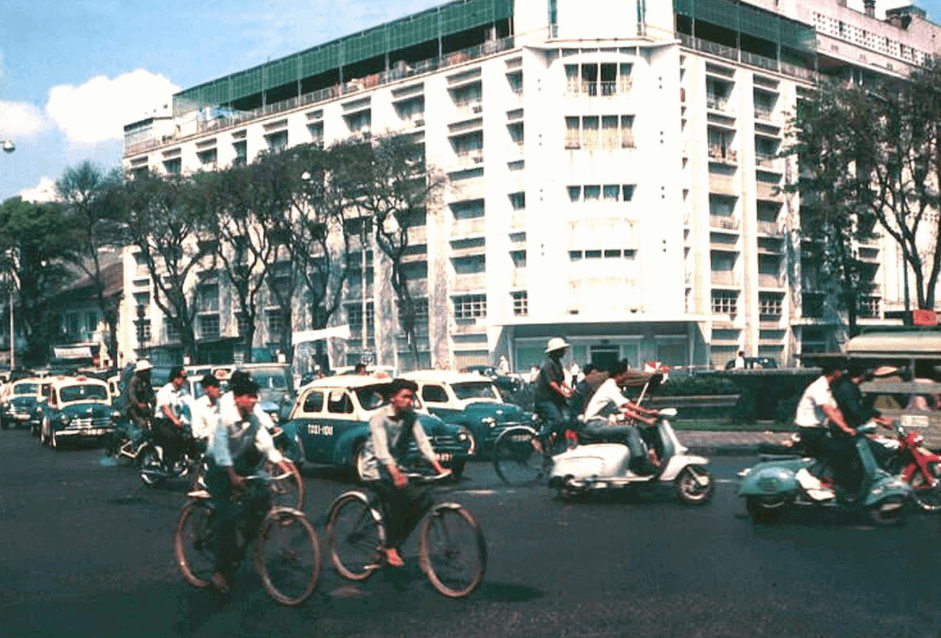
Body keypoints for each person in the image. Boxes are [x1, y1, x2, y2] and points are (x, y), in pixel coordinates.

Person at [206, 370, 293, 594]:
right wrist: (232, 476)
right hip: (218, 467)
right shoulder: (223, 419)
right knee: (226, 517)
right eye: (249, 396)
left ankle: (248, 541)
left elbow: (264, 442)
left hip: (239, 463)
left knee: (262, 495)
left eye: (255, 396)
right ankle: (219, 572)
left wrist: (280, 461)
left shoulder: (253, 419)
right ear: (237, 398)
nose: (254, 400)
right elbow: (221, 449)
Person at [361, 378, 448, 568]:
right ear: (393, 398)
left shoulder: (411, 417)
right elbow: (381, 451)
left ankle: (395, 538)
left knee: (424, 498)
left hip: (397, 469)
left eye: (412, 398)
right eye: (405, 397)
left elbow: (422, 442)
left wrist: (439, 467)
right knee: (395, 500)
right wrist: (395, 473)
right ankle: (390, 547)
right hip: (374, 470)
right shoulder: (379, 418)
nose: (409, 401)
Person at [582, 359, 661, 474]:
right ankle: (639, 464)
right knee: (630, 430)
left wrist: (645, 420)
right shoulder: (609, 387)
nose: (627, 377)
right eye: (626, 374)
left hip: (600, 424)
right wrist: (648, 412)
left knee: (640, 430)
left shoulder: (612, 388)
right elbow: (626, 404)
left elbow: (626, 411)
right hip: (595, 425)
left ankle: (647, 456)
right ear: (619, 375)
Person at [793, 362, 854, 500]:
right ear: (834, 372)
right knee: (840, 452)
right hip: (810, 431)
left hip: (818, 431)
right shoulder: (819, 387)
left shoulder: (827, 388)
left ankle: (828, 482)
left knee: (845, 447)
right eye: (841, 370)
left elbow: (836, 411)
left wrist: (848, 427)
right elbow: (827, 410)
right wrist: (844, 428)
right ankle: (824, 485)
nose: (842, 373)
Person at [831, 362, 893, 493]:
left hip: (850, 431)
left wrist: (878, 416)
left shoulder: (850, 387)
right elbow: (855, 412)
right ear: (863, 374)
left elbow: (862, 409)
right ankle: (863, 486)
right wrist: (877, 420)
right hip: (845, 433)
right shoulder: (847, 389)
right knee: (879, 450)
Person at [533, 337, 574, 448]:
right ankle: (538, 437)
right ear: (555, 352)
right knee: (558, 420)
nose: (564, 352)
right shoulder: (548, 365)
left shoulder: (557, 363)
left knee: (568, 419)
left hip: (554, 398)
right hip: (544, 399)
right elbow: (552, 383)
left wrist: (570, 389)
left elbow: (560, 380)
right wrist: (563, 393)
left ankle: (557, 446)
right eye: (561, 350)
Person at [154, 365, 188, 472]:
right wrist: (175, 420)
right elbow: (165, 408)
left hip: (176, 422)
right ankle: (169, 465)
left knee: (189, 436)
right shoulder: (165, 391)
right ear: (175, 378)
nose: (184, 380)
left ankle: (183, 461)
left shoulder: (183, 391)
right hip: (162, 422)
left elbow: (190, 405)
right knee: (172, 437)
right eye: (183, 377)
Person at [191, 373, 222, 449]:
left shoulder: (221, 404)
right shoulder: (198, 405)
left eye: (218, 386)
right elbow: (196, 431)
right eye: (214, 387)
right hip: (206, 442)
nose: (217, 389)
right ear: (206, 389)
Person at [125, 359, 155, 430]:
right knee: (141, 424)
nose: (149, 373)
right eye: (147, 371)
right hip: (134, 409)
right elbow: (131, 395)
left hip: (145, 408)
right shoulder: (134, 381)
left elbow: (150, 393)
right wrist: (138, 404)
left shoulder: (147, 382)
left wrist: (153, 400)